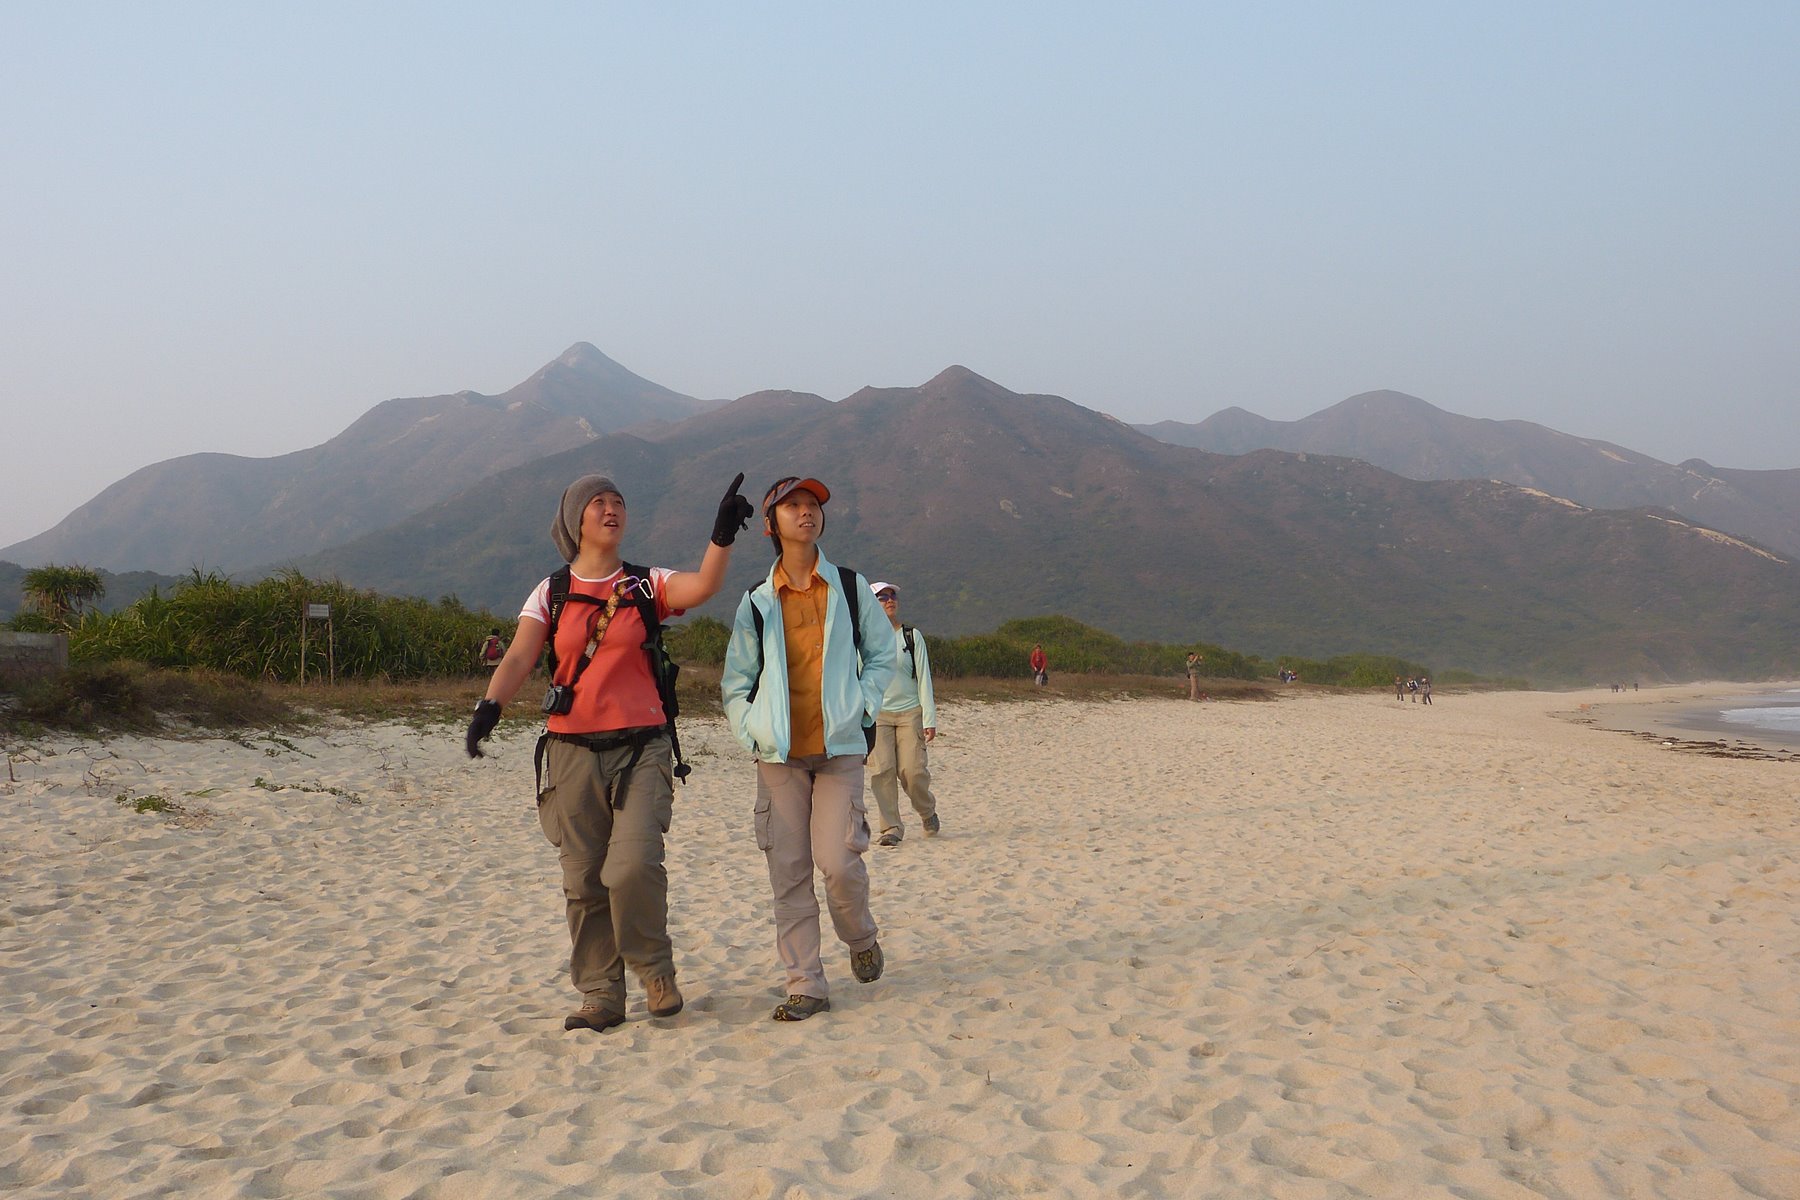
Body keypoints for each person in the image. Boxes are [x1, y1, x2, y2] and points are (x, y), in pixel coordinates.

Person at [464, 471, 754, 1033]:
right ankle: (600, 992)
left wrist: (721, 535)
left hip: (643, 747)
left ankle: (655, 971)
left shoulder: (646, 584)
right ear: (575, 520)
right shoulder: (551, 591)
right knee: (583, 879)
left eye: (617, 500)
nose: (610, 509)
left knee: (633, 866)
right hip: (570, 750)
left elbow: (702, 587)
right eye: (597, 502)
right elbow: (521, 655)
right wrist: (489, 707)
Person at [721, 476, 896, 1023]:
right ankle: (806, 984)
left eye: (813, 504)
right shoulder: (756, 600)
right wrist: (752, 731)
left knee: (839, 862)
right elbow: (736, 680)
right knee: (790, 871)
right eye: (793, 505)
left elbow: (883, 655)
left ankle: (860, 937)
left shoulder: (850, 587)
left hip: (839, 748)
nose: (806, 512)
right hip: (780, 756)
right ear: (770, 524)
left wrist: (863, 706)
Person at [866, 581, 940, 847]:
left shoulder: (911, 636)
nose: (890, 600)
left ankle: (927, 812)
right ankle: (891, 827)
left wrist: (929, 718)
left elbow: (924, 680)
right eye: (882, 597)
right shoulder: (864, 640)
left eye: (893, 596)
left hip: (910, 713)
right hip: (877, 715)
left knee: (912, 771)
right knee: (882, 771)